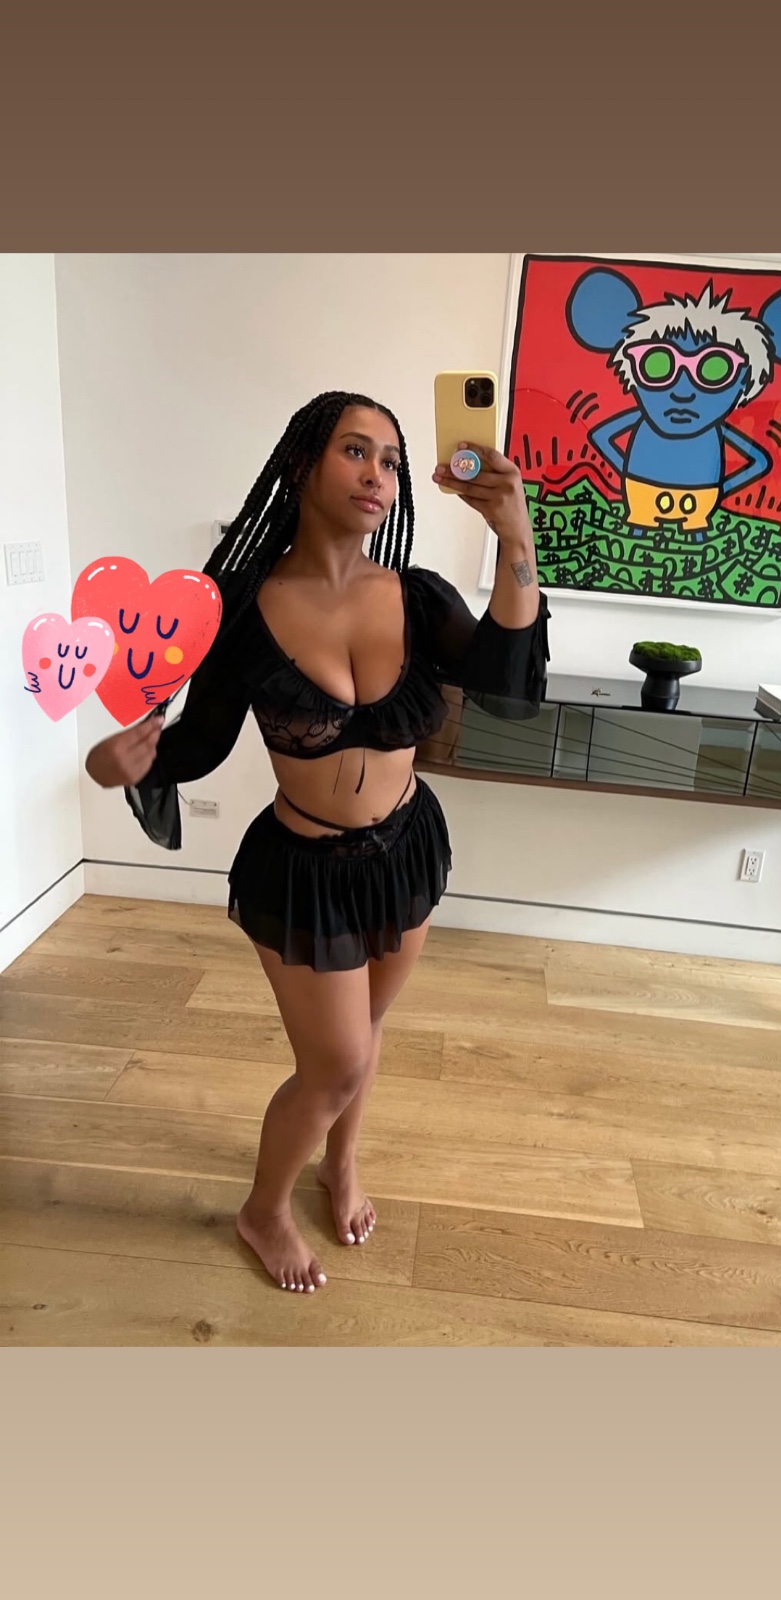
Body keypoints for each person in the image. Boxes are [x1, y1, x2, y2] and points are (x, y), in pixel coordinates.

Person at [85, 390, 550, 1293]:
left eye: (391, 460)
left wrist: (514, 534)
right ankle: (263, 1209)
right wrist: (119, 763)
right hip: (304, 870)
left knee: (365, 1034)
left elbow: (508, 687)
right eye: (355, 451)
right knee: (333, 1064)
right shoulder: (242, 609)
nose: (378, 474)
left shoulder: (416, 597)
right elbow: (196, 744)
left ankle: (341, 1164)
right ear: (303, 462)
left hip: (406, 848)